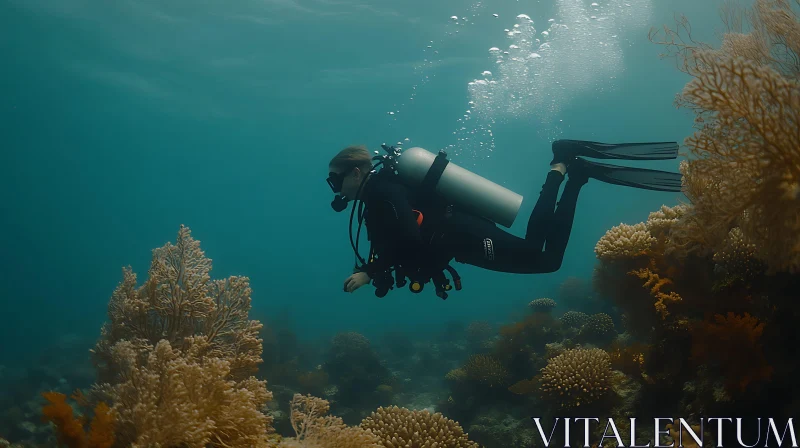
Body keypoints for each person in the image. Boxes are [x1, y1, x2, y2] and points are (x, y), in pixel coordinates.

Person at [326, 140, 683, 298]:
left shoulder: (382, 193)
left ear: (356, 171)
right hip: (460, 235)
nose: (335, 189)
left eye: (335, 180)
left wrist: (371, 272)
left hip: (462, 235)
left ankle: (565, 168)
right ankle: (571, 173)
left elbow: (409, 236)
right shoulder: (379, 192)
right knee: (542, 258)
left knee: (544, 259)